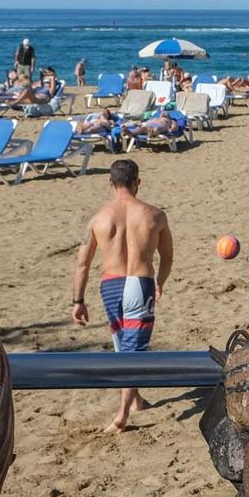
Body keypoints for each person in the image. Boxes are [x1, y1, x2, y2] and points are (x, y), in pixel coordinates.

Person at [71, 158, 174, 433]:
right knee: (132, 351)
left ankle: (136, 400)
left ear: (111, 183)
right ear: (137, 182)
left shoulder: (99, 218)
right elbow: (167, 257)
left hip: (110, 285)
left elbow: (83, 264)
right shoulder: (154, 215)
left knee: (122, 347)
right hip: (139, 283)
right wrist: (160, 282)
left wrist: (78, 301)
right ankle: (121, 416)